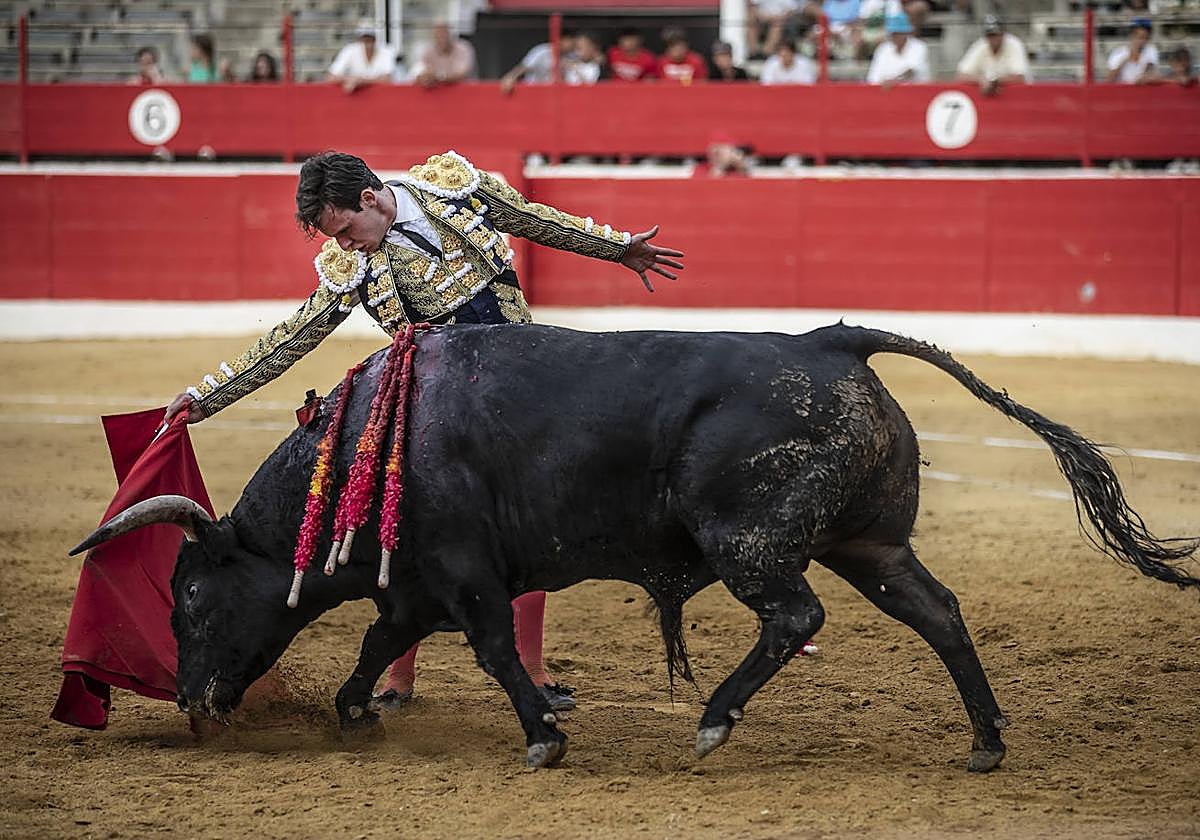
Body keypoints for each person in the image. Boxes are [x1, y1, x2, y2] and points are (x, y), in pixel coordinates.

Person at [164, 150, 684, 709]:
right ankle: (397, 679)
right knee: (401, 532)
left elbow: (532, 218)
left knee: (528, 525)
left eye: (344, 230)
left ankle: (532, 673)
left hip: (522, 391)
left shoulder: (454, 188)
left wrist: (617, 248)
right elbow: (293, 337)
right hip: (436, 414)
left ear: (370, 198)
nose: (343, 245)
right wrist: (207, 396)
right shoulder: (354, 267)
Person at [500, 30, 602, 93]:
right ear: (562, 40)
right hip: (533, 91)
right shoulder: (543, 51)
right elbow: (524, 67)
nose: (573, 46)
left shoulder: (570, 56)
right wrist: (510, 77)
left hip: (553, 95)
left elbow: (589, 59)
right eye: (572, 42)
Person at [956, 15, 1029, 94]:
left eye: (996, 34)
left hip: (1020, 94)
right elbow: (961, 76)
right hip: (992, 96)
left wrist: (994, 82)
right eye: (990, 35)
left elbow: (1019, 78)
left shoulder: (1014, 44)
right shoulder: (980, 45)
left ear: (1003, 34)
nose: (993, 38)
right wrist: (981, 79)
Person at [328, 20, 397, 93]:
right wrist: (352, 80)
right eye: (365, 39)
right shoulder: (349, 50)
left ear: (375, 39)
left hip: (382, 96)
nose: (367, 42)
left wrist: (360, 81)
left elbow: (388, 79)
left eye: (370, 38)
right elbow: (331, 77)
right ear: (359, 39)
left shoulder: (387, 51)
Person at [865, 13, 930, 85]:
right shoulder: (883, 48)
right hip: (886, 93)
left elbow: (911, 71)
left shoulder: (919, 47)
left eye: (898, 33)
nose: (895, 37)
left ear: (906, 33)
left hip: (915, 92)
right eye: (892, 33)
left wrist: (894, 81)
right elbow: (873, 76)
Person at [412, 22, 476, 88]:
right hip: (435, 93)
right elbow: (418, 73)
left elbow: (461, 74)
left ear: (450, 36)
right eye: (438, 35)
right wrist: (424, 77)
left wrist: (438, 77)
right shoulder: (427, 51)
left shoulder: (463, 48)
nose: (441, 38)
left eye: (444, 35)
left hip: (464, 92)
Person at [1107, 19, 1159, 84]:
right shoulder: (1118, 52)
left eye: (1146, 38)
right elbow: (1109, 80)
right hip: (1122, 91)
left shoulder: (1151, 49)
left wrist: (1144, 77)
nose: (1143, 41)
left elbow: (1150, 70)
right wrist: (1125, 59)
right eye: (1140, 37)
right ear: (1131, 36)